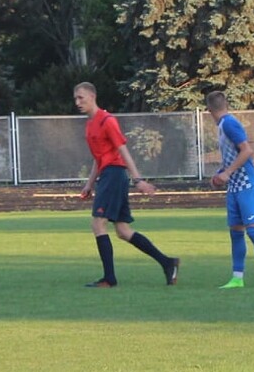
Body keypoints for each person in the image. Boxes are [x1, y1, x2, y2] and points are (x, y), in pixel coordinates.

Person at [75, 82, 178, 288]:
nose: (77, 102)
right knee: (123, 230)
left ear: (92, 97)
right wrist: (89, 184)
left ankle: (109, 279)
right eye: (75, 98)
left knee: (98, 224)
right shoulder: (90, 124)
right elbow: (98, 157)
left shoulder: (107, 121)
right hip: (109, 175)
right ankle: (168, 263)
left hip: (114, 175)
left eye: (81, 98)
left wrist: (138, 180)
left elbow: (123, 151)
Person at [207, 91, 254, 289]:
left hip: (247, 184)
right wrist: (220, 174)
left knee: (253, 231)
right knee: (236, 232)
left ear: (209, 110)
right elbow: (232, 156)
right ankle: (237, 278)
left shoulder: (229, 123)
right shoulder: (223, 126)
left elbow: (247, 151)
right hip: (235, 186)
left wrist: (227, 173)